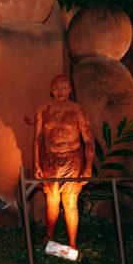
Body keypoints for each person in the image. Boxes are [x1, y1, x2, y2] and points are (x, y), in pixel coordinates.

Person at [33, 75, 94, 251]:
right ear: (51, 90)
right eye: (57, 87)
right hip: (50, 157)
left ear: (70, 90)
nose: (60, 91)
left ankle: (72, 244)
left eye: (64, 87)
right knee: (52, 199)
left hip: (72, 158)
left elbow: (88, 140)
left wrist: (88, 168)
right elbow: (37, 138)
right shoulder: (43, 109)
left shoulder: (77, 110)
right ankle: (49, 237)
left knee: (70, 201)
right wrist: (36, 163)